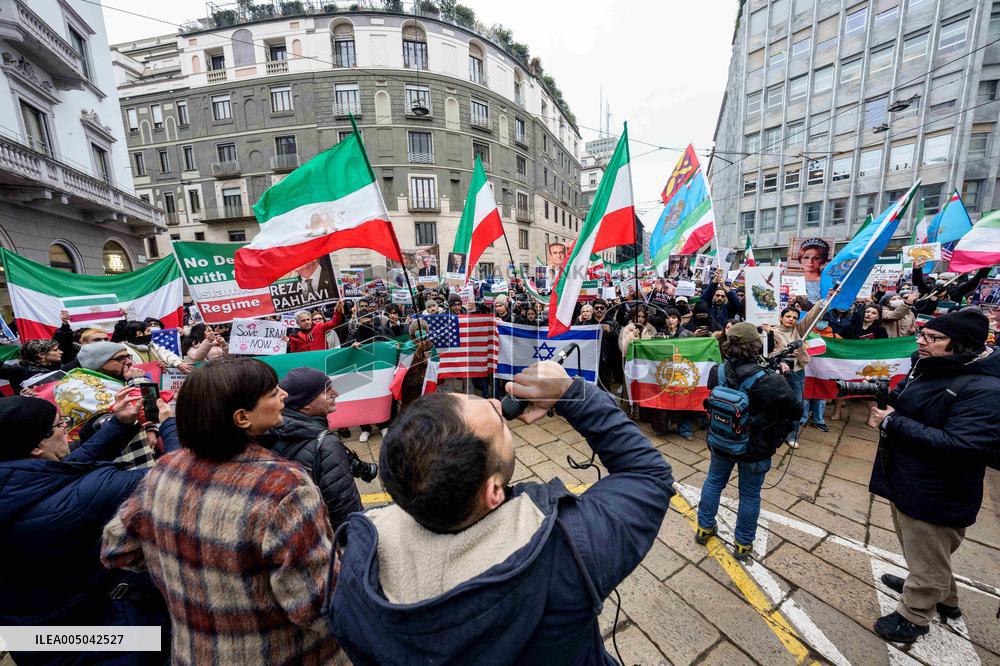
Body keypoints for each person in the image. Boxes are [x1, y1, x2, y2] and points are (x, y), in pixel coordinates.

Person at [326, 361, 674, 663]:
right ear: (493, 492)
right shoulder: (568, 551)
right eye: (499, 422)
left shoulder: (355, 577)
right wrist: (572, 393)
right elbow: (648, 475)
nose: (497, 402)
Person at [101, 357, 341, 664]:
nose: (284, 395)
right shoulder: (283, 486)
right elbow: (317, 603)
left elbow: (117, 548)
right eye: (272, 392)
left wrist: (191, 576)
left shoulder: (166, 468)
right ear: (242, 417)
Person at [0, 391, 176, 665]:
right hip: (97, 637)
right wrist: (170, 424)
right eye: (61, 425)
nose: (66, 430)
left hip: (31, 633)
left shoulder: (16, 477)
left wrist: (119, 424)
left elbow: (65, 467)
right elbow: (180, 476)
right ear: (37, 445)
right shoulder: (82, 497)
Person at [865, 309, 1000, 643]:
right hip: (909, 476)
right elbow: (914, 405)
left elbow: (960, 444)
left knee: (928, 547)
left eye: (932, 338)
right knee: (925, 550)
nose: (921, 341)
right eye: (921, 334)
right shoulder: (930, 366)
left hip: (939, 488)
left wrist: (893, 422)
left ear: (961, 345)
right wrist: (889, 401)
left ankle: (914, 616)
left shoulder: (984, 389)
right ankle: (945, 597)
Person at [696, 323, 803, 561]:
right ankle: (743, 544)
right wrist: (781, 380)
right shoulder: (769, 380)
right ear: (756, 345)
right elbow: (796, 410)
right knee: (750, 495)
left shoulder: (717, 371)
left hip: (722, 439)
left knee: (713, 483)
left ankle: (704, 527)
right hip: (755, 446)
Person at [268, 367, 363, 531]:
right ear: (306, 405)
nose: (336, 394)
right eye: (327, 391)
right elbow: (347, 513)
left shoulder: (268, 430)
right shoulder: (327, 445)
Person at [764, 291, 835, 447]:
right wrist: (784, 352)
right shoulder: (771, 331)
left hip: (797, 373)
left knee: (797, 403)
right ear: (780, 318)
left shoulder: (799, 330)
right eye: (788, 316)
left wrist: (826, 300)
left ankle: (792, 435)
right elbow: (768, 353)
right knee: (776, 403)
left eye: (795, 317)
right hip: (778, 374)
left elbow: (812, 316)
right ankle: (775, 432)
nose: (791, 319)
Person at [120, 320, 193, 374]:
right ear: (139, 333)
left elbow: (166, 354)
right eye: (148, 331)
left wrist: (178, 363)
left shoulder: (151, 345)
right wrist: (154, 368)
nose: (151, 333)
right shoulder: (124, 351)